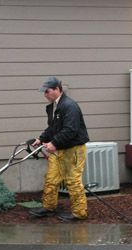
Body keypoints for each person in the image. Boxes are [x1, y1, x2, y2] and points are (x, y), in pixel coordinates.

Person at [29, 76, 90, 221]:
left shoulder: (70, 106)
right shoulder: (53, 106)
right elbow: (53, 127)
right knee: (51, 179)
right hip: (59, 149)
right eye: (44, 92)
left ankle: (79, 213)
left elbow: (71, 129)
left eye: (47, 91)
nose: (45, 95)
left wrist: (54, 143)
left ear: (57, 89)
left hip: (73, 149)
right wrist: (41, 139)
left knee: (72, 181)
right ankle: (49, 207)